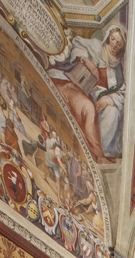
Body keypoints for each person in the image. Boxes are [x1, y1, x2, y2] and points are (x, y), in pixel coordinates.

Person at [47, 25, 125, 162]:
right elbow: (77, 44)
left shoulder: (118, 68)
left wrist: (108, 100)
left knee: (112, 112)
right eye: (113, 39)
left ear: (122, 46)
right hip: (78, 84)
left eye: (118, 43)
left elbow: (121, 92)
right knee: (87, 108)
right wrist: (86, 60)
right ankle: (93, 150)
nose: (114, 44)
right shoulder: (96, 46)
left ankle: (102, 152)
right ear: (108, 36)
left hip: (97, 96)